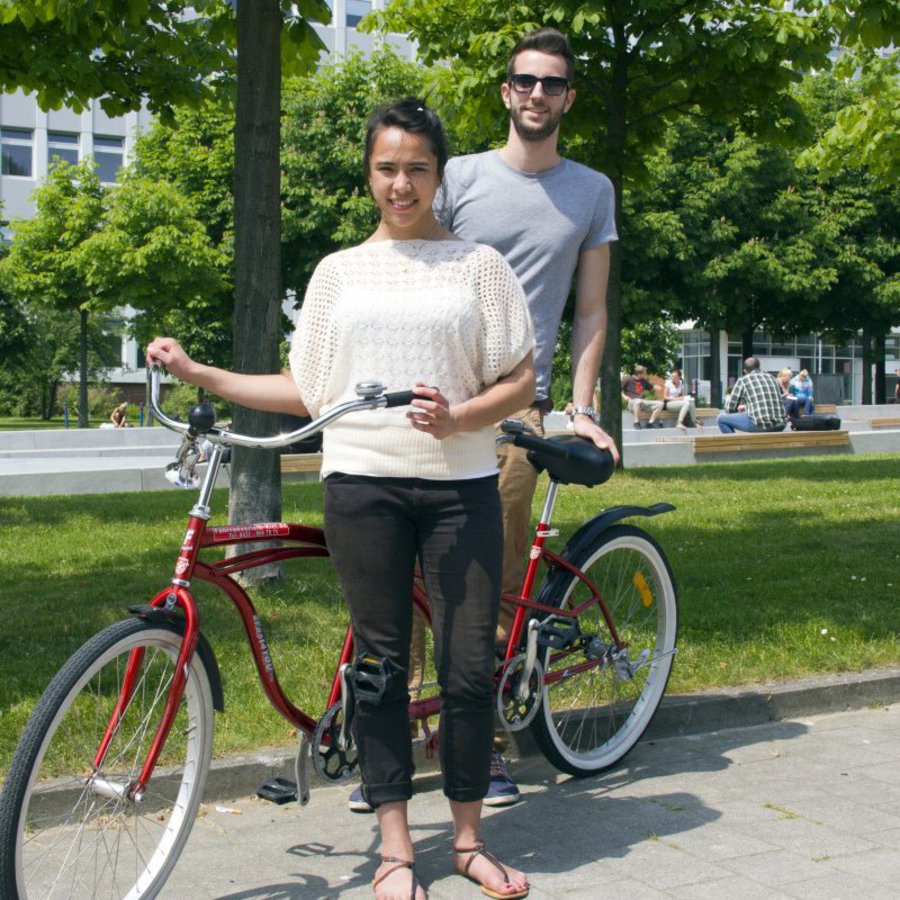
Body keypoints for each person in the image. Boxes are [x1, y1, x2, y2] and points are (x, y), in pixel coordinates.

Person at [147, 99, 533, 900]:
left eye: (417, 168)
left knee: (466, 668)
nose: (402, 183)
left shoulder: (479, 266)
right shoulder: (337, 274)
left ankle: (467, 840)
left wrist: (461, 416)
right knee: (380, 667)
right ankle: (396, 849)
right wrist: (201, 374)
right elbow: (306, 390)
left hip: (461, 486)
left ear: (439, 174)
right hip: (362, 485)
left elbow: (521, 379)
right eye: (387, 168)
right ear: (369, 174)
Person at [397, 26, 618, 812]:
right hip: (430, 399)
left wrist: (581, 409)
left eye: (552, 84)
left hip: (518, 408)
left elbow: (590, 312)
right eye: (524, 80)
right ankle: (394, 737)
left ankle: (481, 746)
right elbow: (417, 269)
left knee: (482, 583)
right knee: (406, 574)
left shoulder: (591, 192)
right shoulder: (454, 176)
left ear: (567, 98)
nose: (536, 94)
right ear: (506, 90)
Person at [717, 357, 788, 433]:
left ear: (745, 370)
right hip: (781, 424)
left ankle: (734, 444)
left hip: (760, 425)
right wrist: (748, 408)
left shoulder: (743, 380)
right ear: (759, 367)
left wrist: (738, 412)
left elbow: (730, 408)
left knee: (721, 419)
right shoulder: (772, 378)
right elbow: (772, 399)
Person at [622, 364, 664, 429]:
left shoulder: (644, 381)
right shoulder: (628, 379)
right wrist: (624, 396)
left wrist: (659, 387)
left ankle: (650, 423)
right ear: (639, 374)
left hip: (642, 402)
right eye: (644, 373)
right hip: (632, 402)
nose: (645, 375)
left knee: (660, 404)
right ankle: (636, 422)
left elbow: (652, 387)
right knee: (638, 401)